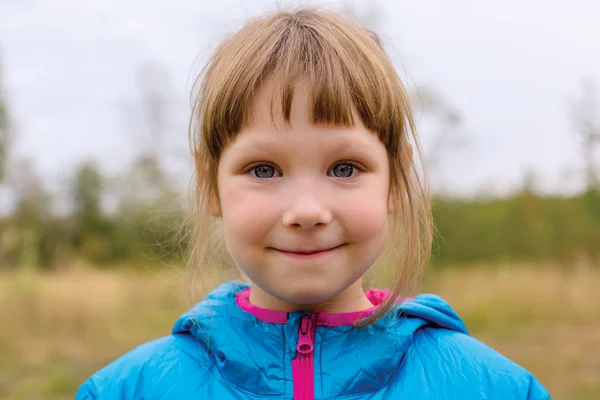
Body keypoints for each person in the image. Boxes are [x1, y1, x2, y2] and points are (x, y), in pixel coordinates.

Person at [75, 7, 550, 400]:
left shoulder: (492, 388)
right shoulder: (127, 390)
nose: (306, 210)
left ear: (395, 182)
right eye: (264, 170)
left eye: (344, 168)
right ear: (210, 185)